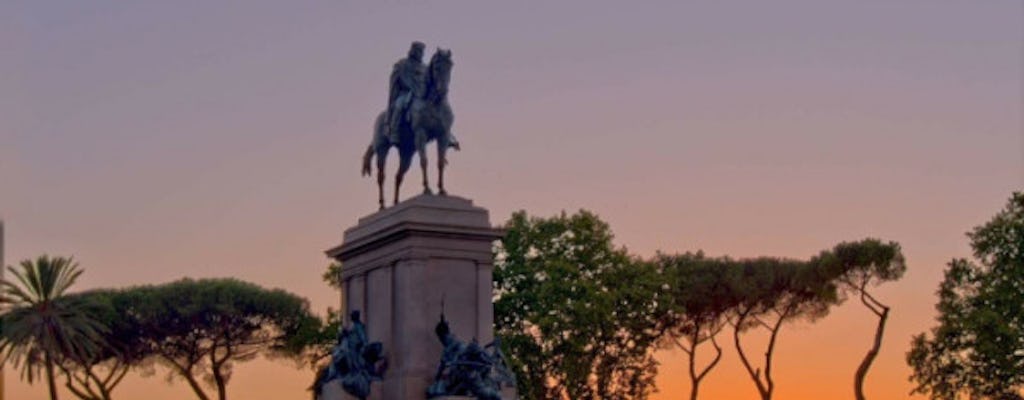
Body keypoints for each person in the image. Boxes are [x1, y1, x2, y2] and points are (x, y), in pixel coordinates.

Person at [387, 41, 427, 145]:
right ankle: (394, 132)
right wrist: (410, 86)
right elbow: (400, 78)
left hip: (422, 95)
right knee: (399, 105)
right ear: (413, 51)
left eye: (422, 51)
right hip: (406, 93)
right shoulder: (403, 64)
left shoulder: (424, 67)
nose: (420, 53)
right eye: (418, 51)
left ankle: (446, 134)